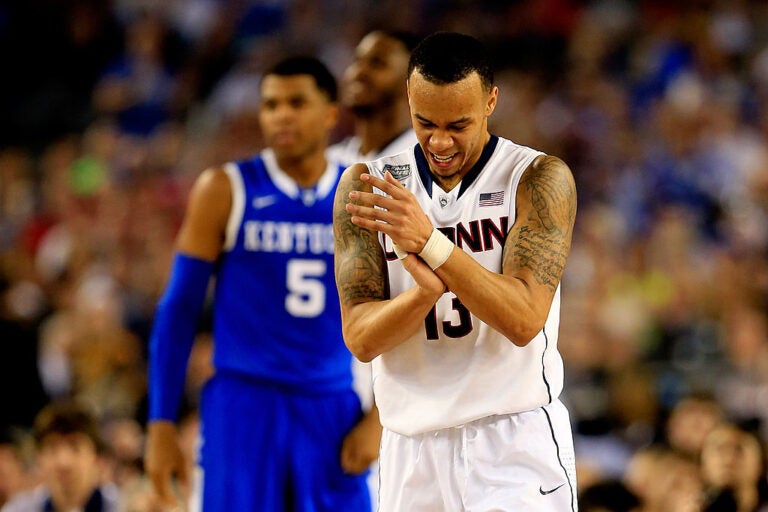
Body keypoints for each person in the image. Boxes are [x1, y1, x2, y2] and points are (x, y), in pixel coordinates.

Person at [333, 32, 579, 511]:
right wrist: (420, 295)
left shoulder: (537, 177)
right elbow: (360, 338)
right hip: (410, 449)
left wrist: (432, 245)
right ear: (408, 97)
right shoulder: (367, 186)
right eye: (425, 123)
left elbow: (525, 320)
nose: (440, 141)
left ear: (491, 101)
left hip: (511, 442)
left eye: (458, 125)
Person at [144, 55, 375, 511]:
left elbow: (402, 306)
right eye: (270, 104)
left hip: (330, 402)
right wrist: (161, 423)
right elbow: (178, 309)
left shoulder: (360, 195)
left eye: (296, 102)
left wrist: (382, 418)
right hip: (244, 401)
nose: (281, 115)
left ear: (331, 113)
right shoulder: (226, 188)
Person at [1, 400, 120, 512]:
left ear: (97, 458)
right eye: (53, 448)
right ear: (39, 458)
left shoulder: (123, 506)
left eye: (75, 448)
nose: (63, 462)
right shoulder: (19, 509)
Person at [327, 29, 419, 169]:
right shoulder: (331, 161)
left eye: (377, 63)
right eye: (357, 60)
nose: (358, 72)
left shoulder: (429, 163)